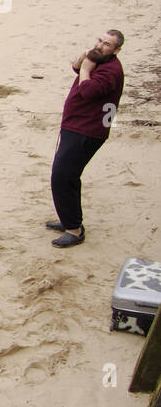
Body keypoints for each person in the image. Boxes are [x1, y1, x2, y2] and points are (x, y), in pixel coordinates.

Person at [47, 30, 125, 248]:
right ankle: (69, 220)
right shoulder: (99, 60)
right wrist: (82, 62)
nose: (100, 45)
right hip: (76, 126)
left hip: (87, 131)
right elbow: (76, 68)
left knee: (62, 176)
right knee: (68, 176)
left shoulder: (112, 71)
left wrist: (86, 69)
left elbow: (88, 91)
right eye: (100, 40)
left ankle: (75, 230)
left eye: (107, 44)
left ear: (117, 50)